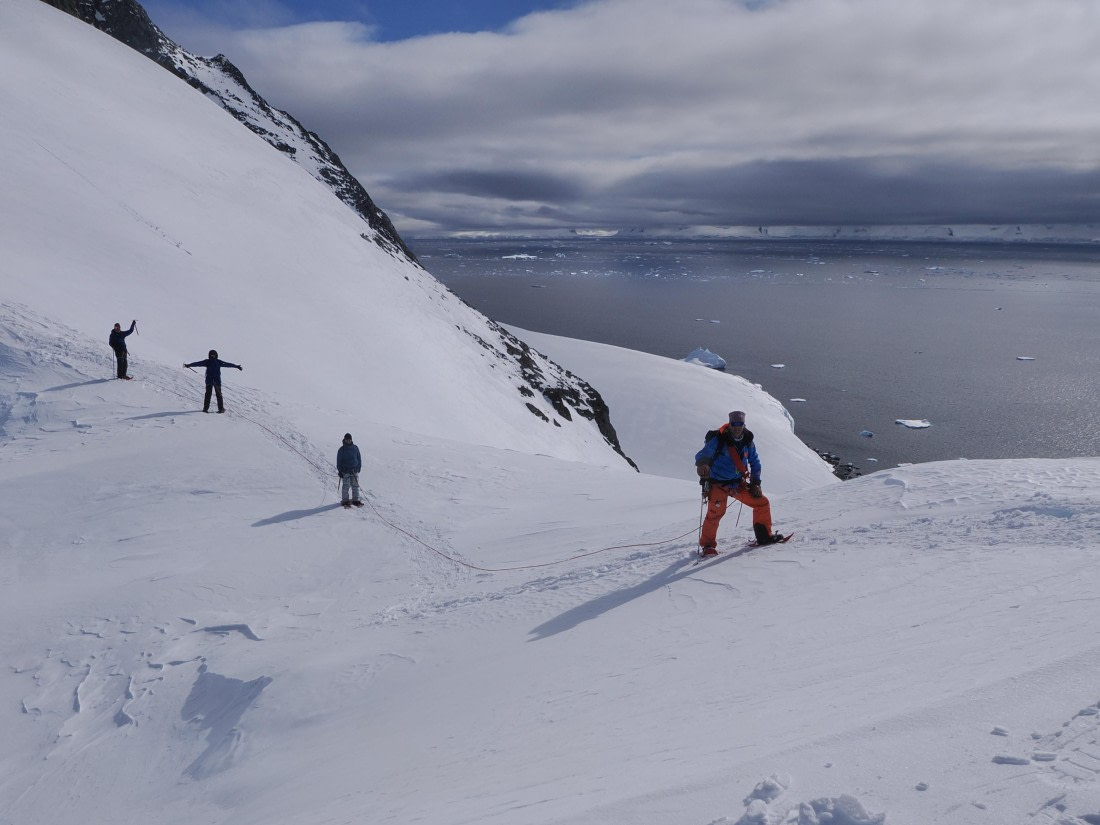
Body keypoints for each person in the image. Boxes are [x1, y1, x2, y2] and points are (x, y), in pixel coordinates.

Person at [694, 410, 785, 556]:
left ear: (744, 424)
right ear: (729, 424)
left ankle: (764, 537)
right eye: (734, 424)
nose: (737, 427)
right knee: (715, 514)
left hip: (737, 484)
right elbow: (702, 455)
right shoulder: (719, 439)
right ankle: (708, 546)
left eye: (740, 424)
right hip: (717, 484)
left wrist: (756, 483)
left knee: (762, 503)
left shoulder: (748, 440)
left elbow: (755, 461)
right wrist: (702, 464)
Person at [336, 433, 363, 507]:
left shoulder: (355, 448)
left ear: (351, 440)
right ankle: (345, 501)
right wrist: (340, 471)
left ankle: (356, 500)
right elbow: (339, 461)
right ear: (344, 440)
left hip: (354, 470)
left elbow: (358, 458)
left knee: (355, 486)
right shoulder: (342, 450)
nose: (348, 441)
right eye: (347, 440)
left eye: (349, 440)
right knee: (346, 486)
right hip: (346, 471)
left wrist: (359, 467)